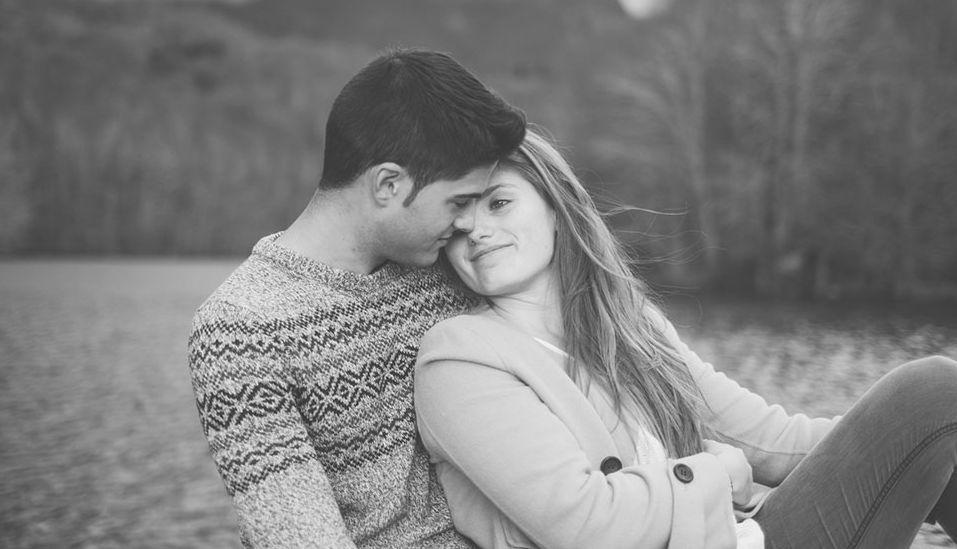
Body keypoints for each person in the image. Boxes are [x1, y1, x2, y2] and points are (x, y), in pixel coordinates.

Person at [414, 127, 957, 549]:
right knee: (932, 391)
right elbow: (583, 524)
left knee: (936, 429)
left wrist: (890, 445)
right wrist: (714, 475)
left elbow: (770, 442)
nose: (477, 231)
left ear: (556, 209)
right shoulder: (460, 358)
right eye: (458, 224)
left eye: (499, 203)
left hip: (747, 536)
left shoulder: (625, 323)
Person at [188, 48, 526, 548]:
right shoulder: (240, 330)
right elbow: (297, 536)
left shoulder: (450, 268)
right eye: (458, 202)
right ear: (388, 184)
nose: (469, 225)